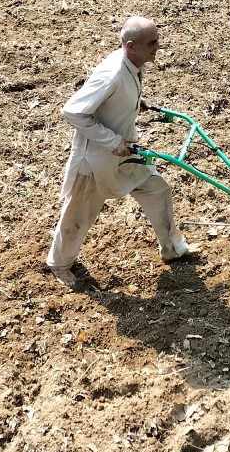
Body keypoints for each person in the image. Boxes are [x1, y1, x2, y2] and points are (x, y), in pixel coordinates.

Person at [46, 16, 199, 288]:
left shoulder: (135, 64)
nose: (158, 47)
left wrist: (138, 103)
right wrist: (111, 141)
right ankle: (59, 264)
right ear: (130, 46)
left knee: (158, 189)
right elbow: (72, 111)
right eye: (152, 43)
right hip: (97, 157)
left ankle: (174, 249)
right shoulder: (112, 73)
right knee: (80, 212)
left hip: (127, 150)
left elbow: (118, 97)